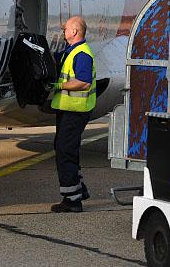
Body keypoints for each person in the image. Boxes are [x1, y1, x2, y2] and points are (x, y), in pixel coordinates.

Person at [50, 16, 96, 213]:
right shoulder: (71, 51)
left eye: (66, 28)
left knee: (65, 151)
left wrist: (58, 86)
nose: (63, 31)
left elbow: (83, 82)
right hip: (68, 109)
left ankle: (72, 200)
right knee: (65, 149)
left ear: (75, 31)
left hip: (76, 110)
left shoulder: (82, 54)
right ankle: (78, 189)